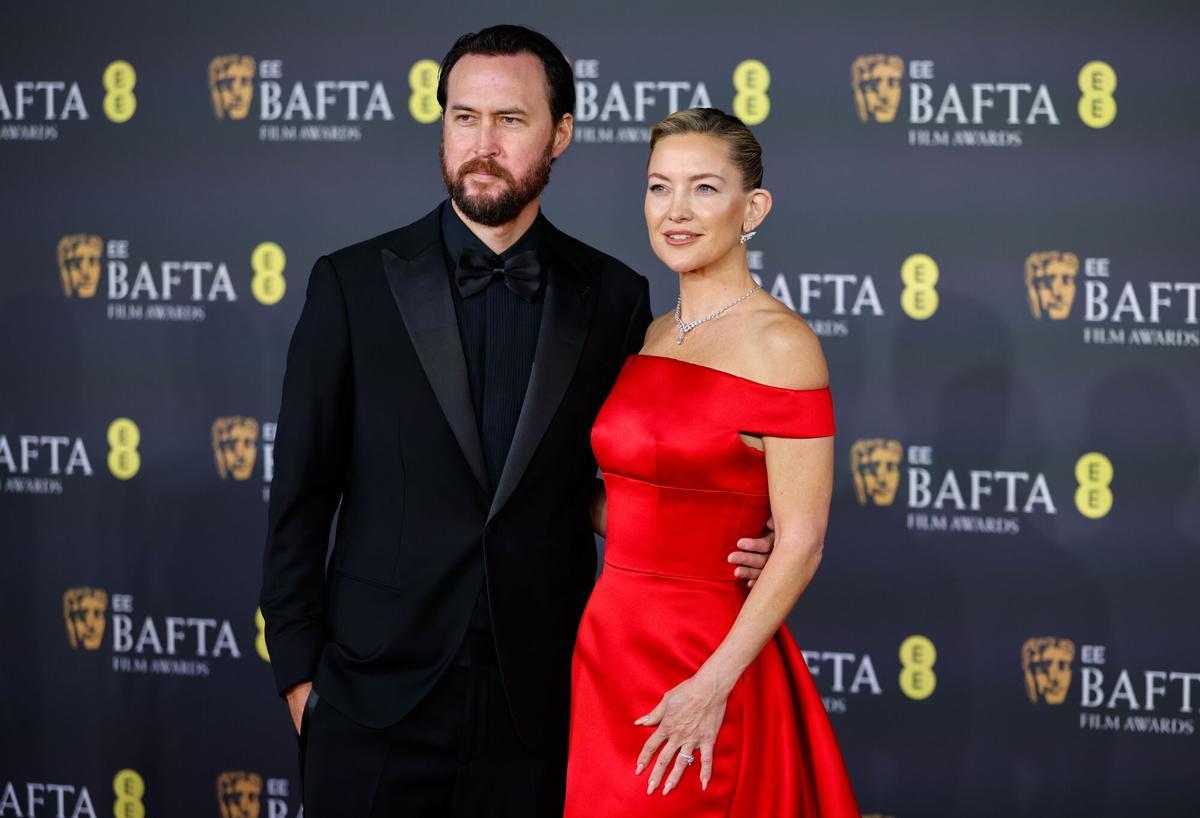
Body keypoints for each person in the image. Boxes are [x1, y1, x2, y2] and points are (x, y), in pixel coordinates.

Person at [258, 28, 774, 817]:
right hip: (370, 703)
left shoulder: (615, 297)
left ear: (560, 133)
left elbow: (630, 476)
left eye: (510, 120)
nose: (483, 145)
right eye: (464, 117)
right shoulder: (352, 285)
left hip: (543, 703)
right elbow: (299, 494)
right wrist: (302, 683)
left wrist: (722, 535)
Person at [564, 108, 860, 816]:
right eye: (658, 187)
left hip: (707, 655)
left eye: (704, 188)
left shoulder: (783, 345)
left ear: (752, 208)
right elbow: (633, 504)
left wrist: (711, 684)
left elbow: (802, 540)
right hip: (610, 643)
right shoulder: (652, 335)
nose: (676, 210)